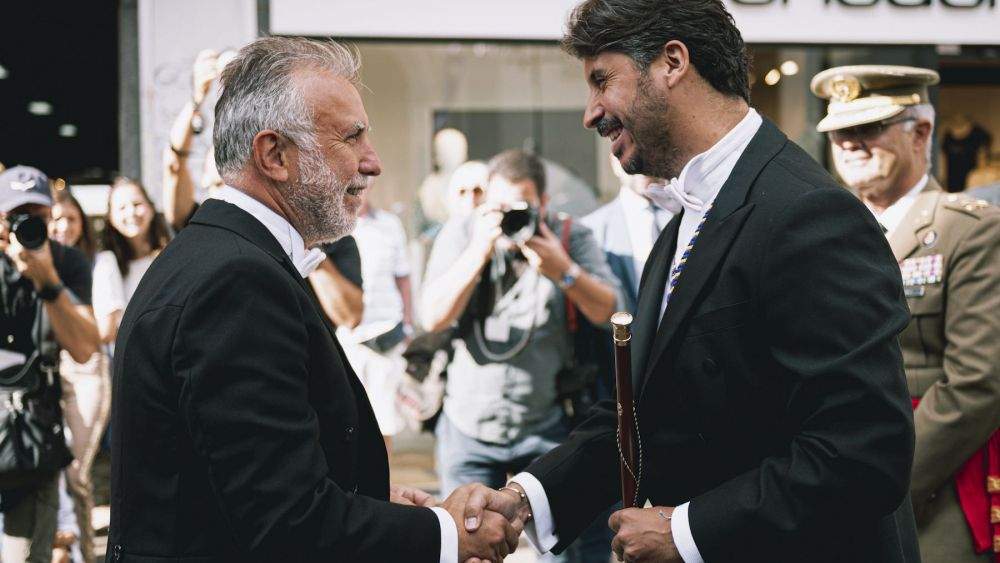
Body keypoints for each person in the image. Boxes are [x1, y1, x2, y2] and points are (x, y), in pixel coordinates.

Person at [458, 2, 921, 562]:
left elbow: (862, 452)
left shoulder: (809, 213)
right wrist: (525, 499)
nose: (591, 112)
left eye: (602, 81)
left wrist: (686, 531)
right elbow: (648, 409)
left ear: (672, 62)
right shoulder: (688, 218)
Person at [106, 36, 521, 562]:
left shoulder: (223, 256)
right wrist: (446, 536)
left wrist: (374, 504)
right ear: (274, 155)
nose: (372, 164)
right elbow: (286, 523)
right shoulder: (234, 281)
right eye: (352, 139)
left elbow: (232, 482)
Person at [813, 65, 1000, 563]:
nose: (850, 143)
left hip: (927, 495)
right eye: (838, 132)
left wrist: (877, 483)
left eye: (868, 128)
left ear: (921, 132)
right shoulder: (824, 236)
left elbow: (977, 383)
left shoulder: (970, 230)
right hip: (825, 487)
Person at [422, 149, 622, 562]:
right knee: (466, 547)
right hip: (469, 428)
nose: (510, 218)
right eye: (499, 207)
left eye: (522, 207)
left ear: (544, 204)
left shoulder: (567, 236)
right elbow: (432, 317)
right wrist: (478, 249)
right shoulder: (464, 233)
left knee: (558, 551)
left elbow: (609, 310)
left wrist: (561, 269)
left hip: (547, 425)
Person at [0, 166, 100, 563]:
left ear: (51, 215)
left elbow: (83, 347)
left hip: (33, 438)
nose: (27, 226)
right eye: (16, 216)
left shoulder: (67, 262)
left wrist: (47, 281)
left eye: (36, 217)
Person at [49, 187, 109, 563]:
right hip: (45, 369)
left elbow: (100, 331)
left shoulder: (95, 261)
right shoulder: (29, 257)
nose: (62, 226)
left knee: (76, 473)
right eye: (55, 219)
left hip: (86, 368)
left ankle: (86, 553)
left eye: (71, 218)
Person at [337, 187, 413, 450]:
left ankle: (384, 486)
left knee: (385, 423)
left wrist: (408, 324)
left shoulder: (389, 224)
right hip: (349, 338)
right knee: (351, 421)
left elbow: (403, 276)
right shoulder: (336, 225)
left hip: (386, 333)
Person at [93, 178, 171, 350]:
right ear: (111, 218)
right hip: (133, 361)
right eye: (121, 208)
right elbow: (107, 331)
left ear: (150, 208)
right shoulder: (107, 263)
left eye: (137, 204)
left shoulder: (171, 254)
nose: (131, 213)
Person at [162, 49, 228, 232]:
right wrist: (197, 97)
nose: (228, 194)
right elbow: (174, 162)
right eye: (219, 184)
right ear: (205, 179)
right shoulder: (197, 224)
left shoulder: (263, 222)